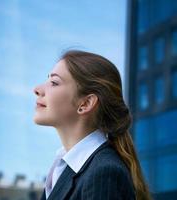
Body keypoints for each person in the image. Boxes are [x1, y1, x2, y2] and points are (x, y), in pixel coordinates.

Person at [33, 50, 150, 200]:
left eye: (54, 83)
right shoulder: (64, 168)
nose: (37, 89)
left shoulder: (104, 173)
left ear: (86, 103)